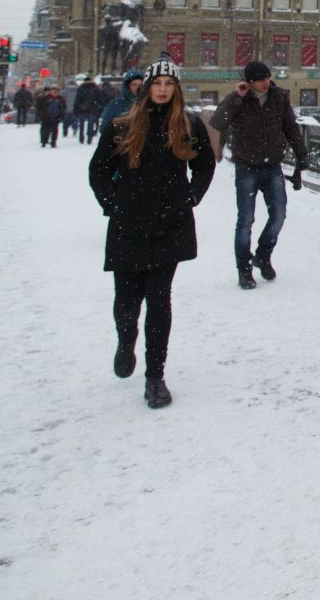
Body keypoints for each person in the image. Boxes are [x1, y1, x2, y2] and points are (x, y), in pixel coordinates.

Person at [87, 59, 215, 409]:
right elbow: (98, 171)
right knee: (127, 302)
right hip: (128, 226)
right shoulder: (121, 126)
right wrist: (114, 203)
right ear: (146, 88)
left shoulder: (188, 125)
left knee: (159, 300)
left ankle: (155, 376)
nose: (162, 89)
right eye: (157, 83)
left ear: (176, 89)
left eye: (169, 84)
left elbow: (205, 164)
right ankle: (126, 340)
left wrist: (191, 196)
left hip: (169, 225)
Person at [209, 60, 307, 290]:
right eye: (260, 79)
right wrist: (235, 97)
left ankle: (262, 255)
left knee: (279, 215)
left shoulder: (279, 97)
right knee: (245, 221)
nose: (266, 82)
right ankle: (244, 269)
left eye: (267, 78)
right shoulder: (240, 99)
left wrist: (301, 154)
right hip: (246, 168)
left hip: (272, 166)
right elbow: (217, 122)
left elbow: (290, 127)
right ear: (249, 82)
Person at [72, 77, 104, 144]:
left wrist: (76, 107)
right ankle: (89, 138)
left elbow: (77, 99)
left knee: (82, 124)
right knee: (91, 124)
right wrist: (99, 107)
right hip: (92, 109)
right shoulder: (95, 88)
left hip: (82, 109)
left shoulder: (81, 88)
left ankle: (81, 137)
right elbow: (100, 99)